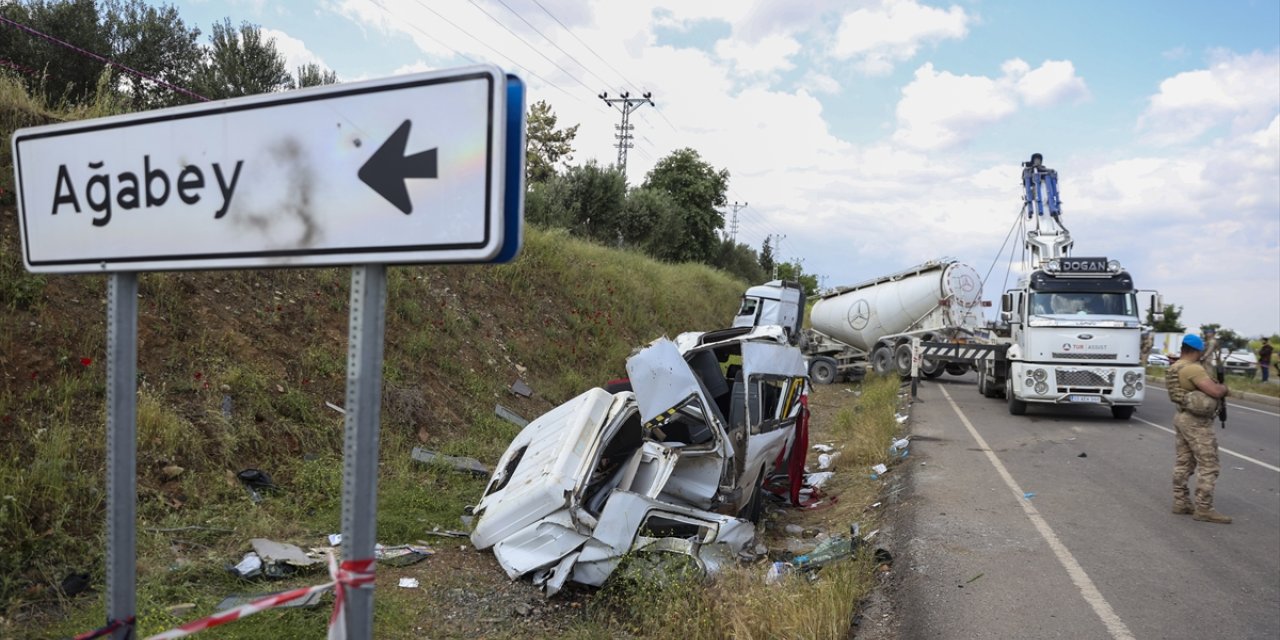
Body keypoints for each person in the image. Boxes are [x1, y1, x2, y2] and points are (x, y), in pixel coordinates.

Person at [1165, 334, 1232, 524]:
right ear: (1197, 351)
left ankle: (1181, 502)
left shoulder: (1175, 366)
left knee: (1184, 462)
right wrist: (1224, 389)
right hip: (1196, 422)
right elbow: (1214, 391)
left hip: (1182, 416)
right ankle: (1204, 508)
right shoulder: (1192, 368)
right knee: (1209, 464)